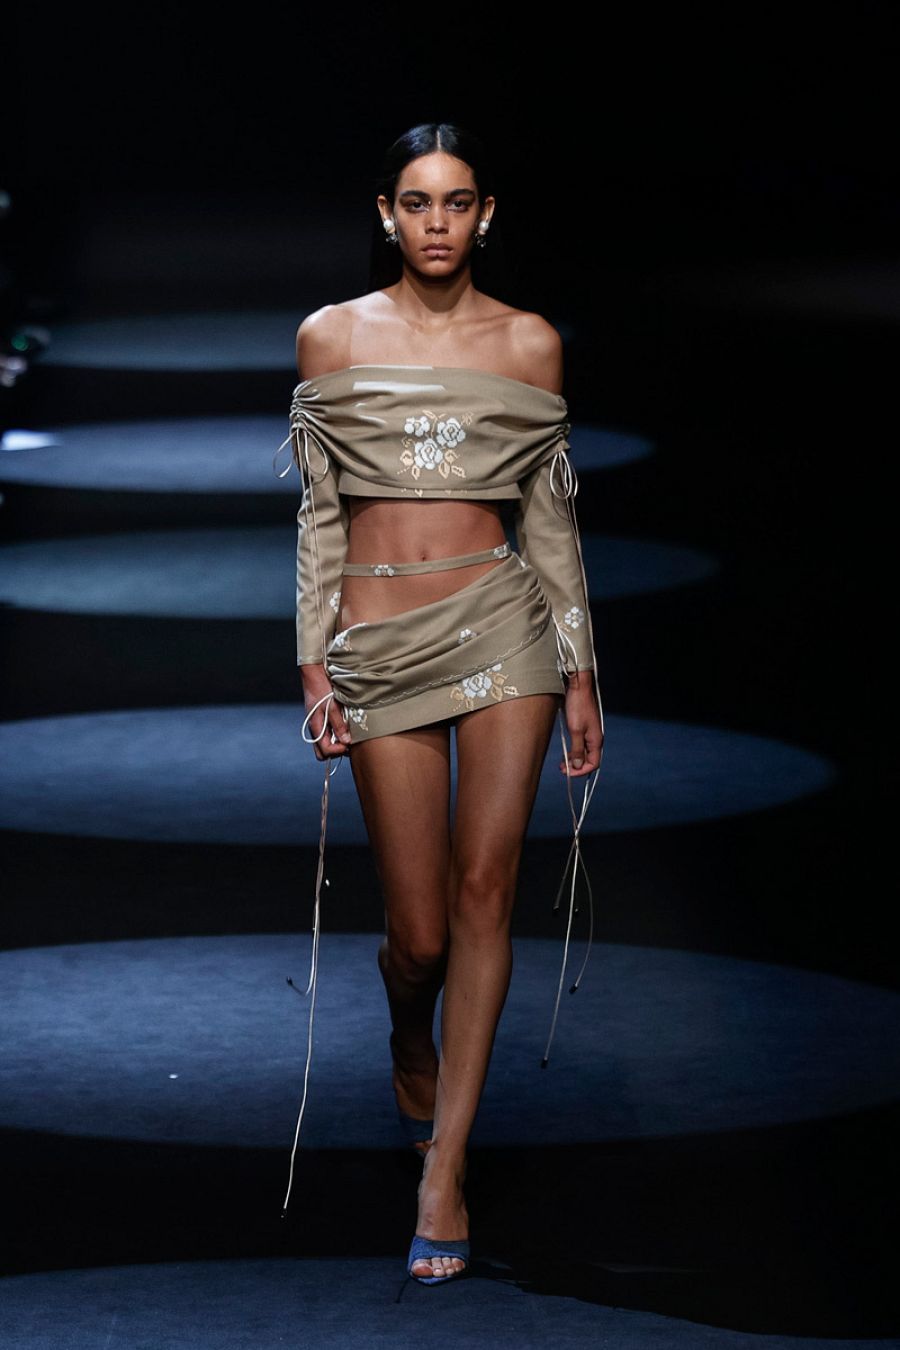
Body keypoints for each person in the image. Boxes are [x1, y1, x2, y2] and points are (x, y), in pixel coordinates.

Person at [273, 122, 604, 1285]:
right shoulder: (331, 335)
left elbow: (549, 518)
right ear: (386, 213)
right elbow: (320, 510)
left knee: (484, 891)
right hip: (378, 638)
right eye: (417, 203)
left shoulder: (528, 342)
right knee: (417, 935)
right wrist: (314, 658)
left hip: (504, 627)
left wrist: (579, 669)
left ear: (486, 214)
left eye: (457, 203)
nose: (437, 223)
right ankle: (409, 1032)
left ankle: (446, 1169)